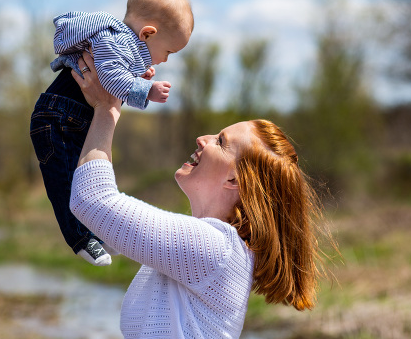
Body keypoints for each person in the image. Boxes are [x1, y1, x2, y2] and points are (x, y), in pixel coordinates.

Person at [69, 51, 333, 338]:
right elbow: (104, 226)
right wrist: (123, 87)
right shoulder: (213, 248)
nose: (202, 138)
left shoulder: (215, 248)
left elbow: (93, 200)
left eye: (220, 141)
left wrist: (107, 108)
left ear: (234, 179)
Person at [30, 0, 194, 266]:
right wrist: (147, 91)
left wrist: (139, 72)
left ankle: (99, 227)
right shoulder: (112, 39)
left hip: (74, 116)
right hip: (58, 118)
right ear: (147, 33)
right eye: (168, 52)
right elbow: (108, 77)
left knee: (89, 176)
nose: (166, 60)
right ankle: (80, 239)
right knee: (66, 181)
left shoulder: (123, 44)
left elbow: (117, 71)